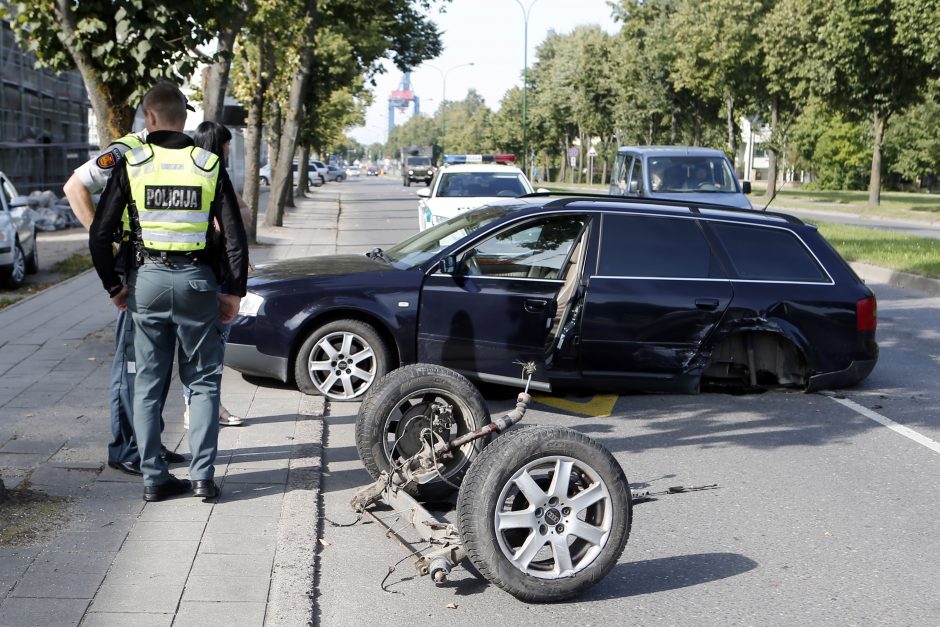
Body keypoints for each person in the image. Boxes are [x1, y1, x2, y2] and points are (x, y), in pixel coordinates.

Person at [89, 82, 249, 502]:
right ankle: (202, 478)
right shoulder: (208, 164)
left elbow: (100, 232)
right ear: (185, 118)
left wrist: (114, 286)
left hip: (148, 281)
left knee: (148, 382)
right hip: (197, 282)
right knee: (203, 381)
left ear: (150, 117)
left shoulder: (133, 163)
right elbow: (234, 236)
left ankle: (154, 480)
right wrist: (233, 291)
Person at [64, 100, 193, 477]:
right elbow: (75, 186)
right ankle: (125, 447)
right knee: (132, 362)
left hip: (159, 271)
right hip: (133, 269)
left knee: (156, 362)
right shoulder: (125, 150)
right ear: (153, 116)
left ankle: (149, 442)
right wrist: (102, 237)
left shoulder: (175, 152)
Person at [183, 121, 250, 429]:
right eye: (226, 144)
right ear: (218, 145)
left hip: (189, 274)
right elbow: (234, 225)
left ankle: (198, 407)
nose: (228, 150)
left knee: (193, 348)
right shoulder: (212, 175)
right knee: (211, 348)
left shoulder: (191, 172)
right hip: (214, 275)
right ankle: (205, 409)